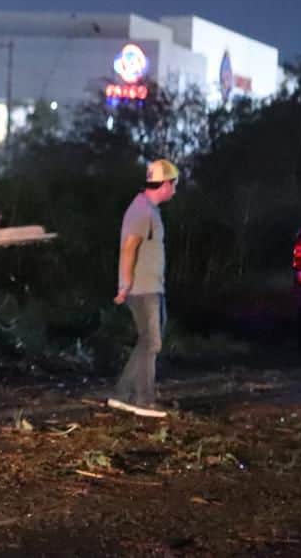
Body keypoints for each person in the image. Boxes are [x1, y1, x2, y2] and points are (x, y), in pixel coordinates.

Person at [108, 158, 178, 419]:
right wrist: (125, 284)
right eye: (174, 184)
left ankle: (122, 394)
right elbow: (129, 247)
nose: (175, 190)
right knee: (151, 342)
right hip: (143, 289)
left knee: (148, 341)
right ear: (166, 184)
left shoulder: (147, 209)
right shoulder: (142, 210)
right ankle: (144, 400)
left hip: (151, 287)